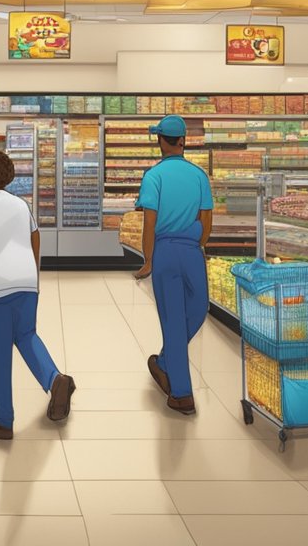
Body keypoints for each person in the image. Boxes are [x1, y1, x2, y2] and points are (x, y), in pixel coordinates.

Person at [0, 148, 75, 440]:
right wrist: (32, 275)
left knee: (0, 351)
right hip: (26, 283)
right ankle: (55, 379)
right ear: (7, 173)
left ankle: (2, 418)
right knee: (26, 336)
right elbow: (35, 238)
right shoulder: (20, 206)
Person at [134, 115, 213, 415]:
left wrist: (148, 259)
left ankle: (175, 382)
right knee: (198, 308)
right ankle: (176, 380)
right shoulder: (199, 176)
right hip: (192, 249)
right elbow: (206, 220)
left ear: (159, 141)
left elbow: (149, 221)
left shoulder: (153, 177)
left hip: (165, 250)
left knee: (172, 319)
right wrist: (199, 245)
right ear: (183, 141)